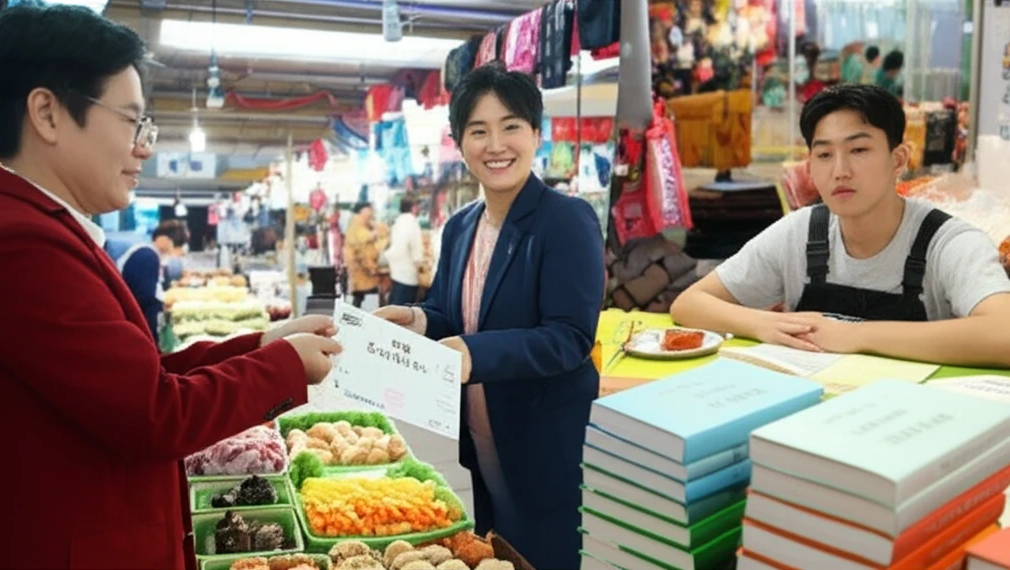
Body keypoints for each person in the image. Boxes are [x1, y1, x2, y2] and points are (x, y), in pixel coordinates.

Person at [0, 5, 343, 568]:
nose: (144, 146)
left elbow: (134, 379)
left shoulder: (37, 227)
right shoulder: (17, 244)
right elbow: (154, 414)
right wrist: (286, 367)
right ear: (47, 113)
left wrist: (264, 342)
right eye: (131, 120)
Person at [375, 61, 606, 570]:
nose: (496, 145)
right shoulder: (459, 227)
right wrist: (415, 321)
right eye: (479, 131)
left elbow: (569, 337)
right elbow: (449, 311)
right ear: (460, 144)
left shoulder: (565, 220)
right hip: (476, 445)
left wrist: (472, 355)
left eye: (511, 127)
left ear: (536, 135)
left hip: (545, 448)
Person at [670, 84, 1010, 368]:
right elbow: (689, 304)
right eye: (824, 155)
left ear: (898, 160)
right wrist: (767, 324)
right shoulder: (799, 233)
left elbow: (1003, 334)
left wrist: (855, 335)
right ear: (811, 167)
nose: (840, 170)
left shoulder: (947, 243)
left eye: (859, 149)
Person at [105, 221, 188, 339]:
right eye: (175, 244)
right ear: (163, 239)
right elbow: (145, 297)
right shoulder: (146, 256)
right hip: (136, 323)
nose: (173, 249)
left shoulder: (149, 254)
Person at [343, 201, 387, 308]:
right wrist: (374, 234)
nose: (371, 212)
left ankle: (355, 313)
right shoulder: (356, 223)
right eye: (369, 209)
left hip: (363, 264)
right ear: (363, 211)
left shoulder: (365, 223)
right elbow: (360, 238)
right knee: (359, 292)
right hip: (361, 264)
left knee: (359, 295)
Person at [385, 196, 425, 305]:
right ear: (414, 208)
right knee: (403, 315)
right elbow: (417, 254)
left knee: (393, 309)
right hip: (408, 277)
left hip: (395, 273)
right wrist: (422, 270)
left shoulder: (397, 223)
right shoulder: (413, 224)